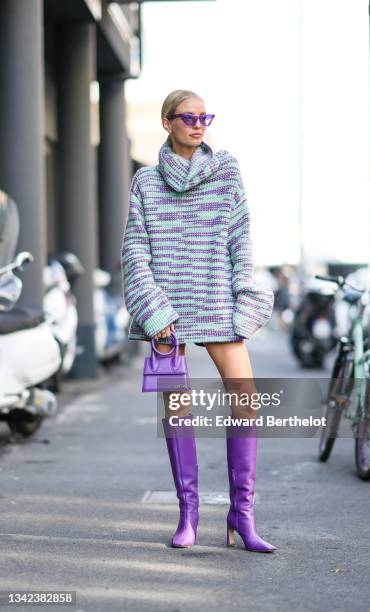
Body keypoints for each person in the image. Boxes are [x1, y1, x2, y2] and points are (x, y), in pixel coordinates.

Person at [121, 89, 277, 553]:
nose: (198, 124)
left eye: (204, 116)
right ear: (168, 123)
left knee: (246, 398)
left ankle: (241, 516)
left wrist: (242, 302)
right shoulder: (146, 182)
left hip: (216, 300)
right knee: (176, 408)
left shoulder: (226, 170)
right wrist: (154, 310)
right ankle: (188, 513)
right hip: (166, 309)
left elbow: (240, 241)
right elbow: (135, 251)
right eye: (188, 117)